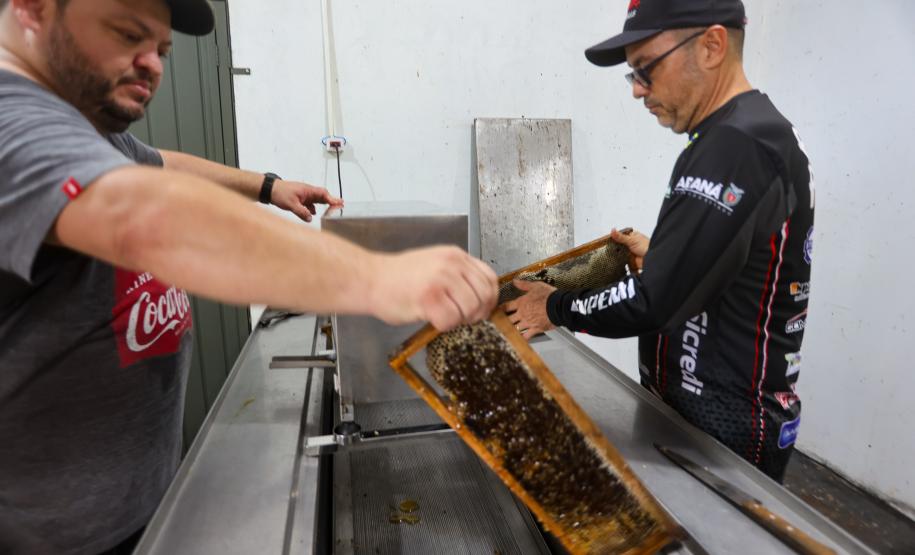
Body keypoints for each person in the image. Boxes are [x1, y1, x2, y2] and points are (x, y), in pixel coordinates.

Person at [0, 0, 497, 552]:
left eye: (162, 50)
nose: (153, 65)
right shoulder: (12, 123)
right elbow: (136, 211)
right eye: (127, 34)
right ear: (32, 9)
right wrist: (380, 277)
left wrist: (267, 186)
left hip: (128, 504)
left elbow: (158, 164)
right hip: (55, 535)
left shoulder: (86, 122)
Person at [507, 0, 814, 483]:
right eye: (631, 74)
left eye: (645, 69)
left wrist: (556, 306)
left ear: (712, 45)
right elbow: (739, 255)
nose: (637, 90)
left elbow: (654, 301)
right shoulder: (748, 132)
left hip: (724, 422)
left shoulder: (736, 145)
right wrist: (665, 254)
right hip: (702, 409)